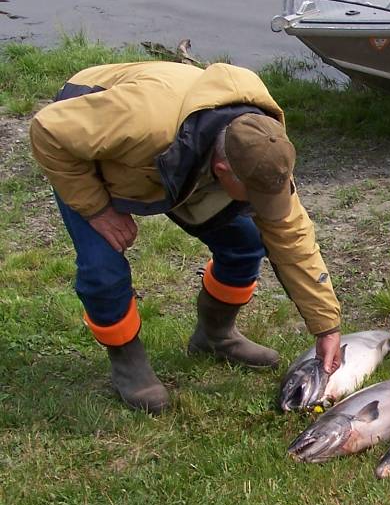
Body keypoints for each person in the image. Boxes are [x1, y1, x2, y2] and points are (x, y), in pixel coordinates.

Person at [30, 60, 342, 414]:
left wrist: (326, 326)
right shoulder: (141, 123)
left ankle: (215, 335)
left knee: (245, 241)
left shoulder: (259, 141)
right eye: (253, 194)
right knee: (102, 269)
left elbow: (291, 236)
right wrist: (97, 208)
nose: (260, 204)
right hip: (87, 140)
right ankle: (126, 360)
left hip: (180, 157)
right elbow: (48, 131)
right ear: (223, 171)